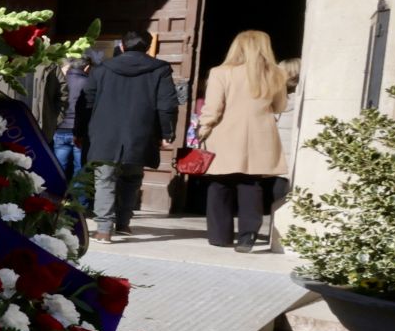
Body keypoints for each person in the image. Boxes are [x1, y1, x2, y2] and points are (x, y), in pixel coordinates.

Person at [78, 30, 178, 242]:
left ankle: (104, 229)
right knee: (132, 178)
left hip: (105, 133)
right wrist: (167, 131)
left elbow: (85, 102)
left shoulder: (102, 69)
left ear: (122, 46)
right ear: (148, 47)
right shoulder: (160, 70)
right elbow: (167, 104)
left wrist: (80, 131)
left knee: (104, 179)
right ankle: (124, 223)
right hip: (139, 133)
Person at [198, 31, 289, 251]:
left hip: (225, 134)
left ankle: (219, 236)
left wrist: (203, 128)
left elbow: (213, 108)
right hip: (260, 135)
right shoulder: (276, 73)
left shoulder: (221, 72)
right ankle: (248, 236)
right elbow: (280, 107)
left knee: (219, 184)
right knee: (251, 185)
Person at [49, 51, 99, 182]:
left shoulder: (60, 80)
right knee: (80, 170)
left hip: (60, 129)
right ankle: (78, 201)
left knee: (57, 168)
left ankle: (55, 197)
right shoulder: (89, 83)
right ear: (87, 67)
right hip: (80, 132)